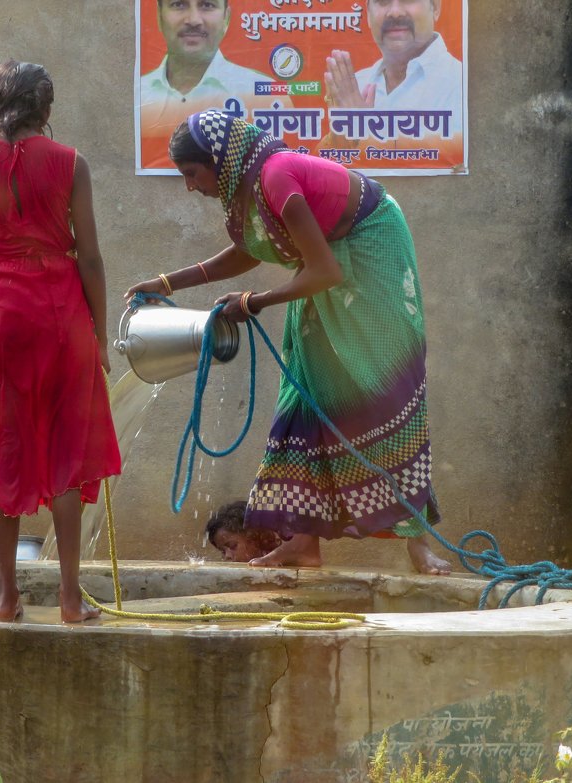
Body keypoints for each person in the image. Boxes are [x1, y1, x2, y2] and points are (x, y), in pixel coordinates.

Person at [126, 109, 451, 575]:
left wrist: (254, 302)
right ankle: (302, 543)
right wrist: (165, 283)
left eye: (192, 174)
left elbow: (325, 271)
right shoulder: (247, 190)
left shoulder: (276, 177)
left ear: (219, 160)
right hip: (327, 263)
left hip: (370, 249)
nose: (190, 186)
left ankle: (419, 546)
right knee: (306, 390)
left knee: (381, 395)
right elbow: (245, 252)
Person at [0, 60, 122, 622]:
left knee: (3, 446)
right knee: (68, 451)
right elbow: (91, 256)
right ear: (42, 108)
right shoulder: (71, 163)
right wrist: (100, 337)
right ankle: (71, 599)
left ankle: (6, 598)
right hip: (60, 309)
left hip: (1, 308)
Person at [140, 0, 275, 168]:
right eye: (178, 5)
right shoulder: (139, 96)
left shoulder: (269, 97)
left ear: (226, 17)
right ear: (159, 16)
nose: (193, 20)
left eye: (207, 5)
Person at [321, 0, 463, 145]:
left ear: (436, 8)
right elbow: (313, 163)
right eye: (383, 1)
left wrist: (360, 134)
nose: (395, 13)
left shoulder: (463, 86)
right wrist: (342, 136)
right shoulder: (356, 86)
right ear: (368, 14)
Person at [205, 500, 282, 562]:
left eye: (233, 546)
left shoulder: (282, 561)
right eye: (223, 551)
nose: (227, 556)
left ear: (255, 537)